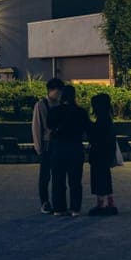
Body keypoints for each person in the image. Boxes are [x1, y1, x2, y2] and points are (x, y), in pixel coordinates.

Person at [46, 84, 89, 216]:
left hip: (58, 148)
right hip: (75, 147)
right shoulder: (81, 112)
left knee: (58, 179)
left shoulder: (54, 111)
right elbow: (86, 129)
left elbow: (49, 126)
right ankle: (75, 208)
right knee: (75, 180)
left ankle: (59, 208)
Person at [31, 77, 65, 213]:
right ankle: (44, 202)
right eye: (59, 91)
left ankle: (57, 202)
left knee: (58, 175)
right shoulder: (41, 105)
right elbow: (37, 127)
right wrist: (38, 147)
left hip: (59, 143)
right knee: (45, 176)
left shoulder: (60, 104)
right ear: (52, 90)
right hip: (47, 144)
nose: (60, 94)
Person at [86, 92, 119, 216]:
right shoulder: (107, 119)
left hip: (99, 154)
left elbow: (95, 137)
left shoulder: (102, 120)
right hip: (106, 154)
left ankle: (102, 204)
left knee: (99, 178)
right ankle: (109, 202)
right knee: (105, 177)